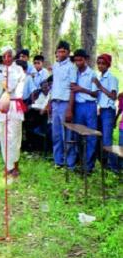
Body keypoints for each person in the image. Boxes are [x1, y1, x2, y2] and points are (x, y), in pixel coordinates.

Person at [0, 47, 26, 176]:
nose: (6, 58)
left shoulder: (18, 70)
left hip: (14, 105)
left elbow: (10, 87)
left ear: (13, 57)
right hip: (2, 106)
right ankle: (7, 166)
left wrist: (2, 82)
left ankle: (15, 166)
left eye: (9, 56)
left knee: (14, 137)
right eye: (4, 56)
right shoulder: (0, 71)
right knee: (2, 135)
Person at [68, 49, 98, 172]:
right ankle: (81, 162)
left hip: (89, 106)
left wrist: (81, 89)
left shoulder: (92, 74)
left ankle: (89, 166)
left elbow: (95, 93)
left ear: (85, 60)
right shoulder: (75, 73)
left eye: (80, 60)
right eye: (76, 60)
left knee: (90, 136)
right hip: (78, 106)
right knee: (78, 135)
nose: (78, 62)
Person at [51, 41, 77, 169]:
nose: (61, 53)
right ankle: (58, 161)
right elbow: (54, 85)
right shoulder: (55, 65)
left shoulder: (71, 67)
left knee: (67, 134)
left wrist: (69, 109)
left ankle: (70, 163)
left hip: (65, 103)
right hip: (55, 102)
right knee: (56, 134)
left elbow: (72, 88)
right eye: (59, 51)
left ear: (68, 52)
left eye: (63, 51)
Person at [94, 54, 118, 156]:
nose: (100, 66)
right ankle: (103, 161)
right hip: (101, 110)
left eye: (103, 63)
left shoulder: (111, 78)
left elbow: (113, 96)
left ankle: (111, 165)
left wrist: (100, 86)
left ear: (108, 65)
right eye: (98, 63)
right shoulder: (99, 77)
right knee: (99, 136)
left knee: (107, 139)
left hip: (108, 110)